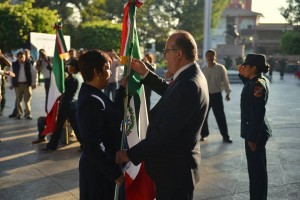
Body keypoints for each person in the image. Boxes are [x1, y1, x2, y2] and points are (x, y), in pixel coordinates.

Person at [116, 30, 209, 200]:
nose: (164, 56)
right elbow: (170, 93)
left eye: (167, 51)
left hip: (175, 172)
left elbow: (164, 134)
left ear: (179, 54)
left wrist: (130, 154)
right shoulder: (190, 75)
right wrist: (145, 74)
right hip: (176, 168)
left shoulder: (188, 84)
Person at [77, 49, 124, 199]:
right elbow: (92, 145)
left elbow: (113, 113)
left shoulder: (96, 93)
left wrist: (122, 88)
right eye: (107, 68)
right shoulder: (91, 100)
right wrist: (114, 173)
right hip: (98, 173)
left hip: (103, 169)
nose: (110, 73)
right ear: (97, 72)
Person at [238, 54, 272, 200]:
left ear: (254, 68)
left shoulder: (257, 85)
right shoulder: (257, 81)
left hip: (255, 135)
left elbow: (258, 113)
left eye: (246, 66)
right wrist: (243, 75)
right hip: (255, 132)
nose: (243, 67)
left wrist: (252, 138)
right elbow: (249, 86)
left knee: (256, 172)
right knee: (256, 170)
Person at [44, 59, 83, 151]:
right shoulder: (78, 76)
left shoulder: (72, 78)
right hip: (72, 104)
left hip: (67, 105)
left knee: (64, 126)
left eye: (69, 66)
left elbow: (63, 89)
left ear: (73, 67)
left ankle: (52, 145)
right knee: (74, 126)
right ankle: (52, 145)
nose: (67, 67)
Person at [200, 49, 232, 143]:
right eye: (208, 55)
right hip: (206, 96)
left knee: (220, 116)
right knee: (203, 116)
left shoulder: (220, 68)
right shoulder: (203, 70)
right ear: (206, 57)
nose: (210, 57)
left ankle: (225, 136)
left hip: (217, 95)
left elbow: (226, 81)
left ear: (215, 56)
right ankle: (204, 134)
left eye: (212, 55)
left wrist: (227, 93)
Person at [10, 51, 36, 119]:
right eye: (20, 57)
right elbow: (10, 74)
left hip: (27, 84)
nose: (22, 58)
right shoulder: (14, 65)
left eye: (23, 57)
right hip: (18, 85)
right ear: (17, 58)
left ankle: (28, 114)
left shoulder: (28, 64)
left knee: (27, 100)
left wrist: (33, 83)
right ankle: (19, 114)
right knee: (19, 100)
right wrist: (10, 84)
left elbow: (33, 73)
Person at [0, 50, 12, 116]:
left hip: (2, 80)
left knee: (2, 96)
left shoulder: (2, 60)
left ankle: (1, 110)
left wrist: (2, 57)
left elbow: (9, 64)